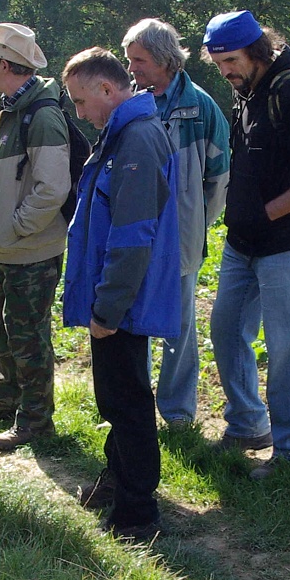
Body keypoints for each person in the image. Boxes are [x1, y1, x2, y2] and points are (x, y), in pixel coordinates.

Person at [201, 10, 290, 480]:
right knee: (226, 329)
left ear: (257, 50)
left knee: (288, 348)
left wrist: (268, 214)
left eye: (232, 61)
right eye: (218, 64)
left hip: (287, 245)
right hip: (243, 243)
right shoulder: (248, 91)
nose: (226, 72)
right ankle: (248, 425)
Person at [60, 47, 183, 542]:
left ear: (108, 90)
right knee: (114, 396)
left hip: (122, 304)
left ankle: (137, 511)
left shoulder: (137, 139)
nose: (79, 112)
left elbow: (133, 236)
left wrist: (108, 309)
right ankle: (119, 480)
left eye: (81, 101)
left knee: (128, 401)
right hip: (112, 300)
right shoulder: (121, 134)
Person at [0, 23, 73, 452]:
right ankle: (7, 399)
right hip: (6, 250)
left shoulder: (40, 114)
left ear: (6, 64)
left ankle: (35, 420)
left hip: (31, 251)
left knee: (27, 337)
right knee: (1, 329)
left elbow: (52, 187)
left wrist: (18, 227)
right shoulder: (8, 107)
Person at [122, 18, 231, 429]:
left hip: (181, 237)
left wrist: (195, 221)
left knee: (179, 325)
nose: (132, 68)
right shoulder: (131, 102)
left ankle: (178, 412)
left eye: (140, 60)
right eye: (130, 60)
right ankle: (135, 408)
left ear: (165, 59)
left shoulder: (200, 106)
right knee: (134, 319)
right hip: (136, 231)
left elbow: (219, 176)